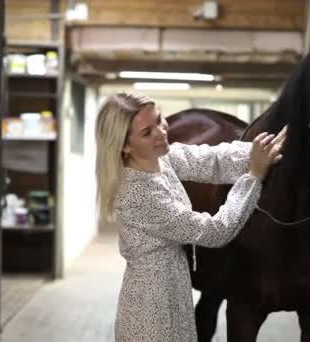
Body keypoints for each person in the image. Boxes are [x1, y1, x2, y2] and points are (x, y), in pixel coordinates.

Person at [95, 91, 286, 342]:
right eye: (147, 132)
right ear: (124, 145)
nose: (162, 132)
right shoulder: (138, 193)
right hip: (152, 309)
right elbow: (214, 231)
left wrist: (260, 149)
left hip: (173, 292)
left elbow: (212, 160)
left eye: (159, 120)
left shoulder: (161, 159)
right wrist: (254, 176)